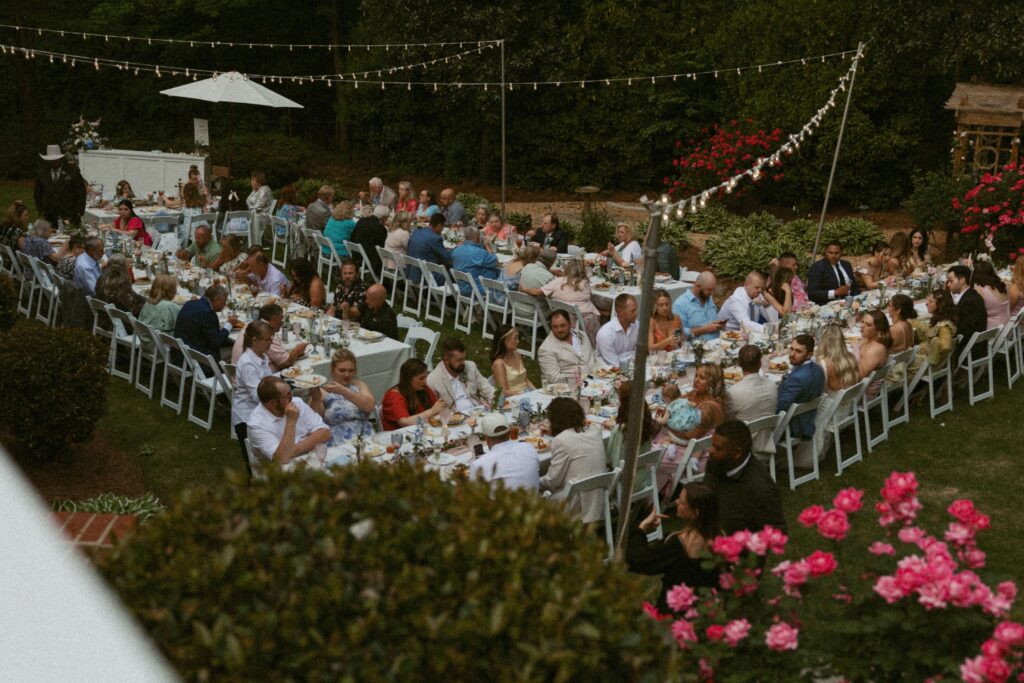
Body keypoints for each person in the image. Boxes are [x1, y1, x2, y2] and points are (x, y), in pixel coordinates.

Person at [625, 482, 720, 612]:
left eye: (681, 502)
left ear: (695, 512)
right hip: (706, 609)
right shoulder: (720, 538)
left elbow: (639, 561)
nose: (676, 502)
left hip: (674, 611)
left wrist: (641, 528)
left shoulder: (680, 543)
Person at [704, 420, 786, 534]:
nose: (710, 451)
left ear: (737, 452)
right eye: (712, 445)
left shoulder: (760, 487)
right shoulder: (717, 462)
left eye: (718, 448)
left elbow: (777, 531)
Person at [657, 364, 725, 489]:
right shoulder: (696, 394)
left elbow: (690, 434)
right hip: (683, 445)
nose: (696, 380)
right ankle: (656, 496)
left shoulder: (710, 406)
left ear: (712, 383)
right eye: (696, 376)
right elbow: (677, 403)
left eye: (702, 378)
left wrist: (667, 420)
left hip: (695, 455)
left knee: (648, 458)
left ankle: (650, 498)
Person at [540, 398, 606, 521]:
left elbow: (553, 481)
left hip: (574, 506)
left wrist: (534, 481)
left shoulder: (561, 441)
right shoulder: (595, 431)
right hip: (598, 501)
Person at [247, 377, 330, 465]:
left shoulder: (297, 402)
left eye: (290, 392)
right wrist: (291, 421)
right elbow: (281, 459)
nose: (292, 397)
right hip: (279, 471)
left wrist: (292, 451)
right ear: (273, 403)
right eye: (287, 395)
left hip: (309, 457)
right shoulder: (256, 425)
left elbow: (325, 432)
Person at [309, 349, 376, 445]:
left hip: (363, 435)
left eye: (351, 371)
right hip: (336, 439)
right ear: (333, 370)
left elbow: (370, 406)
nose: (347, 374)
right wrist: (315, 399)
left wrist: (343, 391)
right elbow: (313, 420)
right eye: (342, 370)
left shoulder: (360, 386)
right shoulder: (324, 390)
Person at [725, 345, 779, 460]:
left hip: (742, 445)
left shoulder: (733, 392)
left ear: (739, 364)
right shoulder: (772, 385)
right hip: (766, 440)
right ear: (760, 364)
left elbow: (727, 422)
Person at [231, 320, 275, 453]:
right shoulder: (248, 364)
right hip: (247, 417)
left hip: (258, 412)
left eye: (271, 339)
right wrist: (277, 392)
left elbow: (266, 380)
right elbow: (257, 395)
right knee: (254, 462)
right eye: (267, 340)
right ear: (255, 340)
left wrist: (283, 378)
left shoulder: (261, 356)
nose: (270, 343)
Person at [469, 413, 540, 491]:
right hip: (535, 501)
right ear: (509, 432)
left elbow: (475, 497)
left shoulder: (478, 465)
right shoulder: (529, 448)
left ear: (486, 438)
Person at [775, 334, 825, 439]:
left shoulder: (797, 379)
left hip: (792, 428)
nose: (792, 354)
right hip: (807, 420)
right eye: (791, 349)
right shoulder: (818, 369)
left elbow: (779, 408)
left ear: (809, 355)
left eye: (798, 351)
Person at [230, 303, 306, 372]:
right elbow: (286, 363)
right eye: (281, 319)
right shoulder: (266, 333)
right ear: (274, 319)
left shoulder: (251, 325)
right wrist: (297, 351)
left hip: (238, 373)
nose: (282, 322)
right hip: (257, 379)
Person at [174, 284, 243, 359]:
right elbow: (217, 342)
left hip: (183, 352)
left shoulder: (189, 304)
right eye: (224, 301)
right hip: (200, 357)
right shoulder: (208, 313)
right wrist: (229, 324)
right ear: (217, 298)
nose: (224, 305)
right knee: (239, 349)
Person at [427, 337, 495, 413]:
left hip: (476, 412)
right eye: (459, 360)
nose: (463, 363)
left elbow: (486, 388)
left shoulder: (470, 366)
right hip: (453, 419)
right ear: (446, 360)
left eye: (464, 359)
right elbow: (433, 411)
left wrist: (496, 401)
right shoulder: (433, 380)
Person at [541, 259, 601, 344]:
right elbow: (590, 296)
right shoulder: (585, 283)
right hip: (585, 320)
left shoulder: (559, 281)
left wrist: (524, 289)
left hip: (564, 316)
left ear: (567, 269)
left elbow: (539, 292)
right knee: (596, 308)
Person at [380, 358, 447, 430]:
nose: (424, 381)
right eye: (421, 378)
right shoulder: (393, 397)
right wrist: (432, 411)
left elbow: (436, 409)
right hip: (399, 436)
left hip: (424, 431)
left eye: (425, 377)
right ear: (408, 379)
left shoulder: (423, 388)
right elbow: (404, 422)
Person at [538, 309, 599, 385]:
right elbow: (553, 378)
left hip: (596, 381)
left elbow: (593, 356)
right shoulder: (546, 349)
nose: (559, 330)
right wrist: (578, 378)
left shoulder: (582, 335)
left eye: (562, 325)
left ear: (570, 323)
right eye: (555, 327)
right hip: (569, 387)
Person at [907, 289, 957, 379]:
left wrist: (934, 344)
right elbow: (928, 330)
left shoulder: (944, 327)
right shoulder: (942, 321)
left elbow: (946, 346)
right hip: (925, 361)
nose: (926, 303)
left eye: (930, 301)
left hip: (925, 365)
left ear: (940, 305)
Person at [34, 144, 86, 227]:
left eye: (56, 159)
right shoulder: (42, 172)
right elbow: (37, 194)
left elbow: (81, 192)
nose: (54, 162)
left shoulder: (72, 171)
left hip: (70, 214)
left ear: (60, 158)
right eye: (51, 160)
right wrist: (41, 211)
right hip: (49, 215)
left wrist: (78, 212)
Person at [947, 265, 987, 358]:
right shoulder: (970, 295)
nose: (948, 284)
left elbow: (963, 331)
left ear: (962, 280)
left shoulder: (970, 301)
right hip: (974, 345)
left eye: (951, 281)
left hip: (970, 350)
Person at [672, 271, 725, 341]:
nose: (711, 293)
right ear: (698, 286)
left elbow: (709, 322)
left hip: (717, 343)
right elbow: (677, 334)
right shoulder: (680, 304)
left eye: (713, 290)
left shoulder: (708, 297)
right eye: (709, 290)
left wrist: (717, 324)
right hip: (696, 349)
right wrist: (704, 329)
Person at [452, 225, 499, 295]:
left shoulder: (456, 250)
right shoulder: (480, 253)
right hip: (480, 290)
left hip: (463, 288)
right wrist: (487, 245)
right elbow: (496, 262)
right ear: (477, 238)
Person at [596, 293, 639, 367]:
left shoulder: (637, 325)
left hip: (631, 366)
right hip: (609, 371)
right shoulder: (606, 334)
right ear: (620, 312)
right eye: (632, 311)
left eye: (636, 310)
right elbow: (613, 363)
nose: (636, 314)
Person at [856, 309, 892, 399]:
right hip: (858, 385)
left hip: (861, 393)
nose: (862, 326)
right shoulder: (867, 339)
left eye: (868, 325)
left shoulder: (875, 350)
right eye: (862, 322)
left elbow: (858, 377)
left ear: (878, 329)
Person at [95, 253, 144, 318]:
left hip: (104, 316)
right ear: (124, 267)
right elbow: (129, 305)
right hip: (119, 319)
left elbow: (132, 296)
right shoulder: (122, 282)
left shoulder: (101, 278)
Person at [406, 212, 451, 283]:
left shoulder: (416, 232)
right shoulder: (435, 238)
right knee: (454, 273)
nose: (442, 230)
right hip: (426, 275)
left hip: (411, 272)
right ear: (439, 225)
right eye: (442, 227)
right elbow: (447, 258)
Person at [490, 324, 534, 396]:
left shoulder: (517, 355)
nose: (518, 341)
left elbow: (526, 380)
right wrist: (523, 395)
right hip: (513, 398)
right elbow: (504, 391)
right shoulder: (499, 364)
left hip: (527, 393)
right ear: (505, 341)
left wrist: (536, 391)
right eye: (515, 338)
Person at [138, 274, 182, 338]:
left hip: (146, 340)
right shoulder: (169, 306)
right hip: (160, 343)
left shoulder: (148, 303)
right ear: (171, 291)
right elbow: (181, 322)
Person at [515, 248, 556, 316]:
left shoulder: (526, 267)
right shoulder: (549, 277)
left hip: (517, 308)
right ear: (552, 263)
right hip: (535, 312)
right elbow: (553, 299)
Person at [350, 204, 389, 275]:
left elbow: (352, 237)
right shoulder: (381, 228)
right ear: (383, 218)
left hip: (356, 256)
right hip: (370, 260)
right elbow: (383, 247)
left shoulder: (361, 221)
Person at [972, 260, 1010, 329]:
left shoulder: (980, 290)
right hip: (1007, 327)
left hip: (993, 330)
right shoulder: (1001, 286)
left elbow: (975, 313)